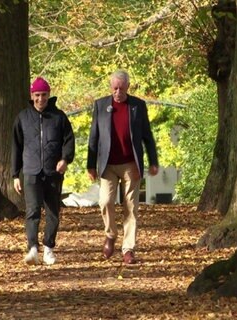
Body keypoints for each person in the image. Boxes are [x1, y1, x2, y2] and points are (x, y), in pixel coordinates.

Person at [87, 69, 158, 264]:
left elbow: (147, 137)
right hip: (107, 164)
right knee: (105, 201)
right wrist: (90, 165)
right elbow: (94, 137)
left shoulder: (137, 106)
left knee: (131, 206)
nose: (118, 92)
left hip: (130, 164)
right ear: (111, 88)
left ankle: (128, 249)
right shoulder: (101, 105)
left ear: (128, 86)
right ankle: (110, 234)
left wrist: (153, 161)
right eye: (115, 88)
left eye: (121, 88)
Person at [11, 77, 75, 265]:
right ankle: (32, 248)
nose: (41, 99)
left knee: (53, 212)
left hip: (53, 173)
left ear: (49, 95)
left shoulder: (59, 117)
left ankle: (49, 248)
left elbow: (69, 141)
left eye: (44, 95)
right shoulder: (23, 117)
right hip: (31, 172)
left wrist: (65, 160)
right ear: (32, 96)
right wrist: (15, 174)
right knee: (32, 211)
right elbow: (16, 146)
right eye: (37, 95)